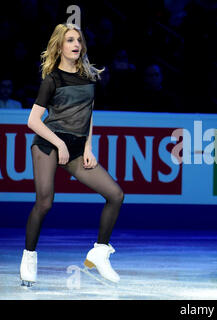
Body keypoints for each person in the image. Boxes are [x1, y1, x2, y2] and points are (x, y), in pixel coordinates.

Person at [20, 23, 124, 287]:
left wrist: (87, 147)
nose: (76, 44)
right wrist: (60, 144)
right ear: (60, 46)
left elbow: (88, 115)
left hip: (77, 148)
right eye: (69, 40)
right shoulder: (52, 79)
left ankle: (100, 251)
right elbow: (33, 120)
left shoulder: (89, 77)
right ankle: (29, 256)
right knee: (44, 202)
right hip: (48, 144)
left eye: (78, 39)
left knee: (115, 194)